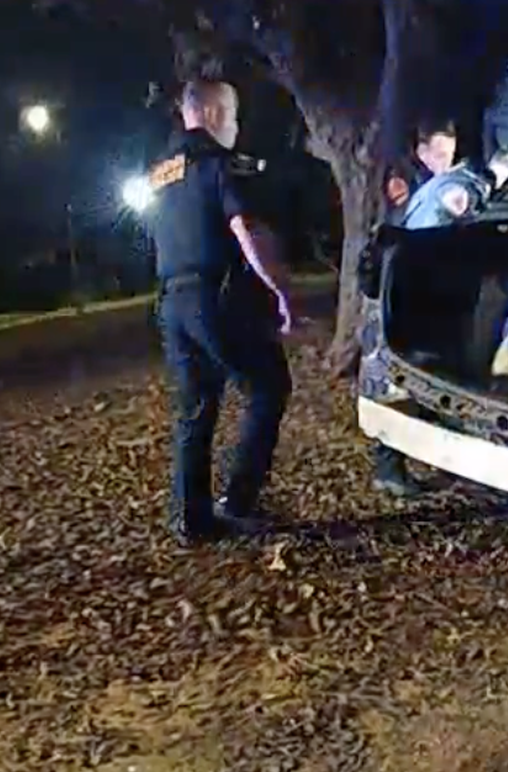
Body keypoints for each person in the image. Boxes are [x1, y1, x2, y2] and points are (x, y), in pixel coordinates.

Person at [146, 78, 296, 544]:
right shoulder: (217, 164)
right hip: (214, 297)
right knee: (270, 385)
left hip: (171, 302)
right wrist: (280, 291)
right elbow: (244, 228)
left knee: (195, 408)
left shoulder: (159, 172)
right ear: (211, 114)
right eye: (232, 116)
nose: (236, 126)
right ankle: (238, 501)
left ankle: (191, 519)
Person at [364, 118, 466, 498]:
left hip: (427, 296)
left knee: (437, 375)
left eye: (448, 149)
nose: (443, 157)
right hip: (407, 297)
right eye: (436, 150)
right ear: (422, 152)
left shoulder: (429, 187)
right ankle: (390, 466)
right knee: (403, 380)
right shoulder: (420, 187)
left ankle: (442, 459)